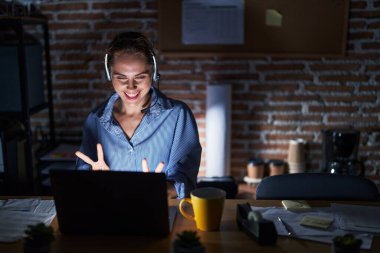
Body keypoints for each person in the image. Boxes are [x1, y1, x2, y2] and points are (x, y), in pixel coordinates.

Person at [75, 32, 202, 199]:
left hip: (159, 214)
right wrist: (95, 180)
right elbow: (83, 185)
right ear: (109, 75)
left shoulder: (178, 115)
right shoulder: (95, 120)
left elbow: (186, 181)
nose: (131, 87)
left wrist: (159, 188)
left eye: (140, 77)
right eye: (121, 77)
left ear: (153, 72)